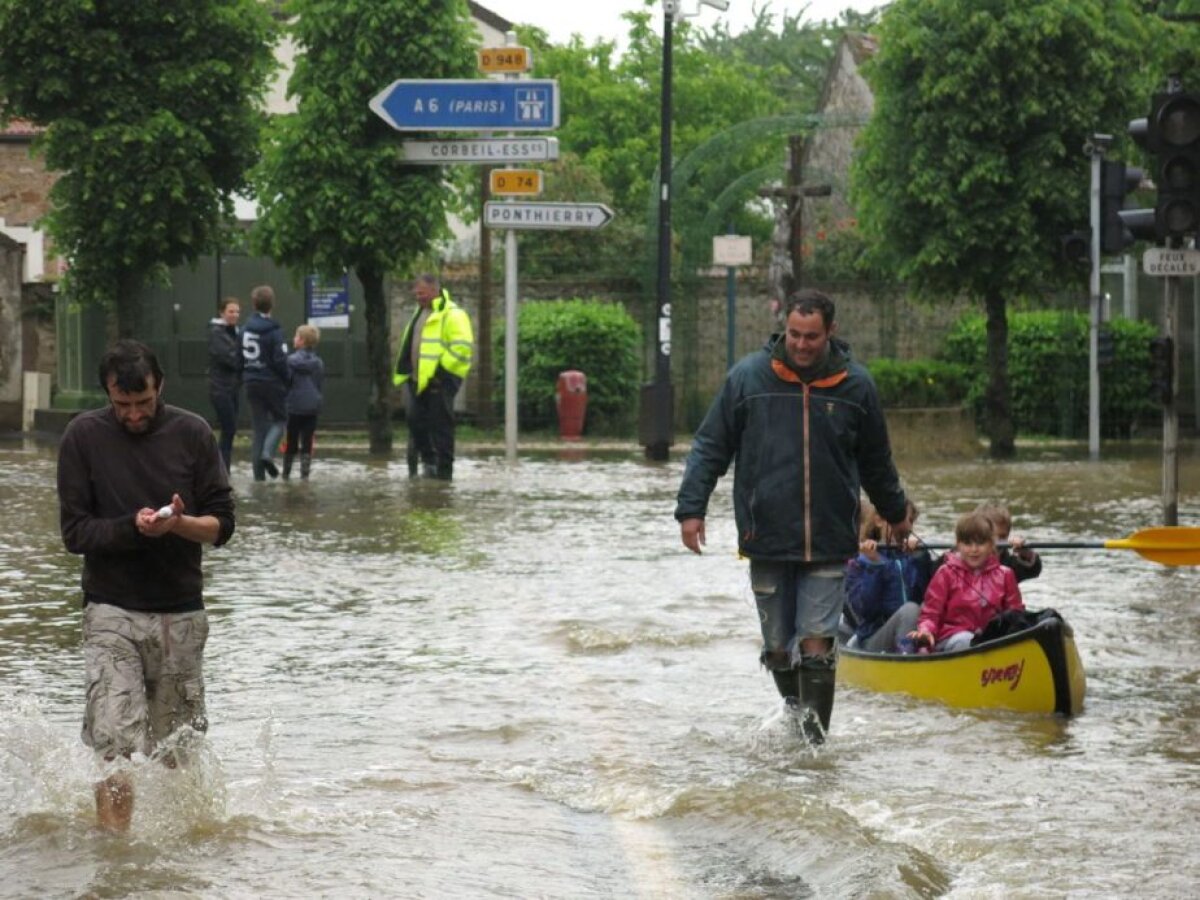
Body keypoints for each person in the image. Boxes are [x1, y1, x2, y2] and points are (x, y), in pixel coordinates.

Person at [675, 289, 909, 743]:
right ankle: (799, 714)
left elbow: (877, 460)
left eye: (812, 336)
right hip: (767, 535)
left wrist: (896, 512)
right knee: (778, 648)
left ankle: (814, 745)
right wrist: (691, 509)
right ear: (785, 329)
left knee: (817, 643)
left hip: (828, 536)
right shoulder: (748, 378)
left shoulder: (856, 387)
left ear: (831, 332)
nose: (802, 345)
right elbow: (710, 446)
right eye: (795, 335)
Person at [56, 340, 235, 832]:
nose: (134, 414)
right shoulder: (82, 437)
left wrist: (176, 524)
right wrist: (130, 527)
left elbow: (222, 527)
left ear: (161, 388)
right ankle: (116, 861)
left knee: (176, 751)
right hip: (110, 609)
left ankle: (174, 859)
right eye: (123, 405)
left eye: (144, 403)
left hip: (180, 612)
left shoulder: (193, 433)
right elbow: (74, 534)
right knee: (115, 748)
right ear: (107, 396)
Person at [392, 274, 474, 480]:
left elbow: (462, 347)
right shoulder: (419, 312)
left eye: (421, 293)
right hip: (418, 380)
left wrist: (441, 373)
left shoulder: (453, 314)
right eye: (416, 293)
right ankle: (429, 462)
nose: (417, 296)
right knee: (414, 420)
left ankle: (444, 471)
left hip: (440, 380)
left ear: (434, 290)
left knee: (441, 426)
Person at [909, 511, 1023, 653]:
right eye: (967, 543)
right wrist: (926, 631)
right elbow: (930, 613)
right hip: (953, 639)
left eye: (980, 543)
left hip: (993, 641)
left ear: (991, 545)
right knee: (966, 640)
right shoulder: (945, 572)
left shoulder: (1006, 574)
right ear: (958, 544)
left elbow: (1017, 615)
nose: (974, 549)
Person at [844, 500, 933, 652]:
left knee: (915, 609)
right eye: (899, 520)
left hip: (912, 634)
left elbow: (928, 598)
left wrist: (920, 558)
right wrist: (875, 566)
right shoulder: (859, 562)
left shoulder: (912, 558)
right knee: (910, 609)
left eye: (910, 521)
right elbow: (865, 611)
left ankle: (915, 654)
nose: (906, 527)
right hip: (874, 640)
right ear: (879, 520)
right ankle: (908, 663)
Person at [241, 284, 289, 481]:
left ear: (253, 304)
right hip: (271, 382)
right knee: (280, 420)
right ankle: (268, 453)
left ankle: (258, 479)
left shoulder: (244, 329)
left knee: (259, 430)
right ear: (272, 304)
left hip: (251, 381)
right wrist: (287, 380)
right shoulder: (274, 330)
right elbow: (280, 360)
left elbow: (237, 356)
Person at [283, 323, 324, 480]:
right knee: (307, 441)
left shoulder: (290, 361)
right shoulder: (318, 363)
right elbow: (319, 383)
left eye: (296, 336)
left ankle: (286, 474)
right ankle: (304, 475)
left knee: (291, 440)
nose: (293, 338)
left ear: (301, 341)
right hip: (312, 406)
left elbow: (287, 382)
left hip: (294, 406)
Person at [207, 296, 243, 472]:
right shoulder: (217, 332)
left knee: (230, 430)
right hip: (221, 388)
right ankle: (221, 469)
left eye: (237, 311)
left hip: (233, 388)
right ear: (222, 312)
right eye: (231, 311)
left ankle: (224, 468)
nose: (235, 314)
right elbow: (230, 358)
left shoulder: (235, 332)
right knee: (228, 428)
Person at [975, 502, 1042, 582]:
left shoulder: (1010, 565)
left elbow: (1033, 570)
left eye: (1002, 536)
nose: (996, 541)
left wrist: (1025, 552)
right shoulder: (966, 561)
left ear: (1008, 535)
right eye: (990, 535)